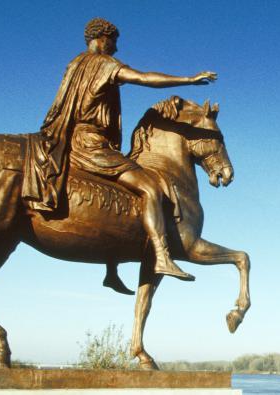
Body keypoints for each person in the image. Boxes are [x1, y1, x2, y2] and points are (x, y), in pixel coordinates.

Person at [21, 17, 216, 282]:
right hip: (91, 145)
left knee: (118, 195)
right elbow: (143, 78)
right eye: (114, 41)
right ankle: (161, 255)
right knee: (150, 187)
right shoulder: (104, 64)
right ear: (102, 38)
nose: (116, 48)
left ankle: (111, 268)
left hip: (69, 140)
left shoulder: (75, 64)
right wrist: (188, 79)